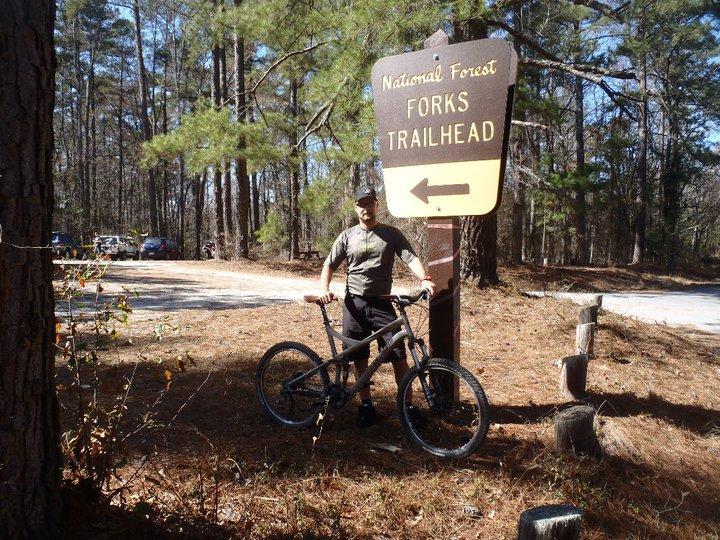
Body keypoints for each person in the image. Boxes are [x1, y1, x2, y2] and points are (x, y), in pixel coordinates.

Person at [318, 186, 436, 428]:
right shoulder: (347, 236)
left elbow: (411, 257)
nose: (366, 208)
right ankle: (366, 405)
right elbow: (329, 265)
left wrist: (424, 278)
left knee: (398, 355)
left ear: (376, 205)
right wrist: (324, 288)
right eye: (361, 204)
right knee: (359, 355)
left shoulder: (391, 234)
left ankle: (407, 406)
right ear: (356, 208)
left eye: (370, 203)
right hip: (354, 303)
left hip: (383, 303)